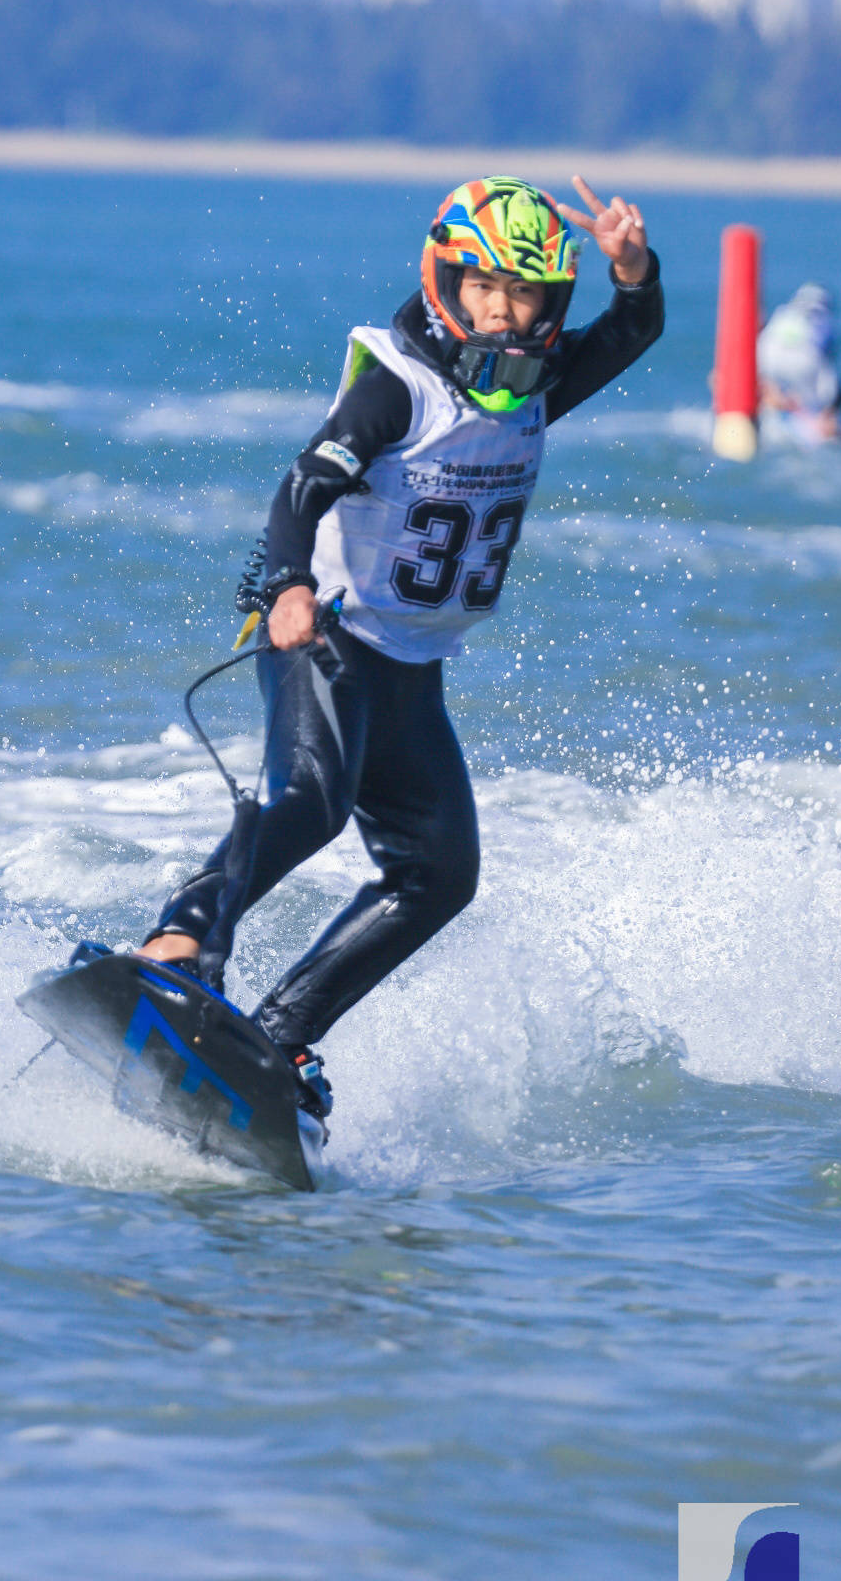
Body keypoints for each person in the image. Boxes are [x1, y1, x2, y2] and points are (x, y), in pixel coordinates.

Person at [135, 174, 664, 1120]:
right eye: (485, 287)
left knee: (437, 876)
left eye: (525, 294)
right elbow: (301, 488)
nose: (501, 311)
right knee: (311, 799)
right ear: (445, 280)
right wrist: (287, 587)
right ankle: (176, 941)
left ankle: (279, 1035)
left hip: (413, 668)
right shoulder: (397, 388)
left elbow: (632, 332)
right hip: (329, 638)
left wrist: (633, 272)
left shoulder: (531, 391)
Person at [757, 283, 841, 442]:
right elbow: (827, 357)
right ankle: (825, 424)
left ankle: (772, 401)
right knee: (825, 395)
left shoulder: (783, 312)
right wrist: (829, 407)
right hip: (807, 361)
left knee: (770, 385)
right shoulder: (824, 320)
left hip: (767, 354)